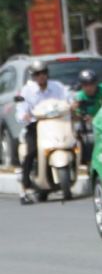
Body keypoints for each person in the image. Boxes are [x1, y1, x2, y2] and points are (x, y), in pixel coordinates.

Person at [16, 61, 71, 205]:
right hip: (35, 126)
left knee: (75, 141)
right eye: (37, 74)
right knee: (31, 151)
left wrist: (72, 104)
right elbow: (21, 110)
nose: (41, 76)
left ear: (47, 73)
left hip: (57, 123)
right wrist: (24, 116)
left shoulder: (57, 87)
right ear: (33, 77)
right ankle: (25, 187)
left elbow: (68, 99)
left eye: (43, 73)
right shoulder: (27, 91)